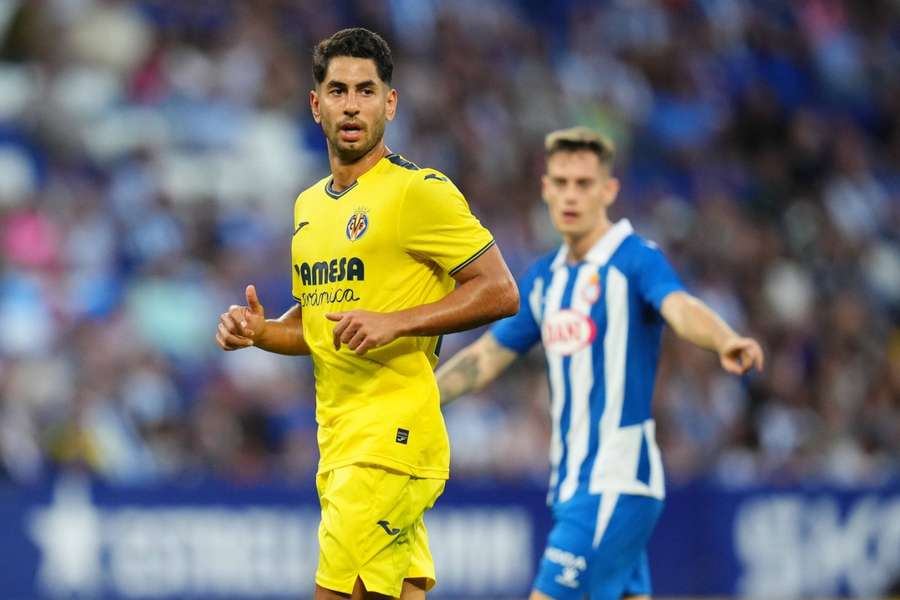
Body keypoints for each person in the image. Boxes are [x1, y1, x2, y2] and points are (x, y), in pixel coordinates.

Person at [214, 28, 518, 600]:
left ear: (390, 103)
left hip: (389, 441)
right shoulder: (308, 207)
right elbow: (315, 326)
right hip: (340, 441)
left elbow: (501, 291)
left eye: (365, 90)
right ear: (315, 105)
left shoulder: (417, 192)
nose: (351, 105)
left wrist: (397, 320)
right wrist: (258, 332)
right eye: (337, 90)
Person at [435, 126, 764, 600]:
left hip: (615, 479)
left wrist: (724, 338)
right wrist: (420, 397)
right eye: (561, 182)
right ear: (545, 188)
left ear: (608, 190)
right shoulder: (544, 278)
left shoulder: (635, 259)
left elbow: (679, 307)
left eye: (584, 183)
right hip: (573, 483)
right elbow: (487, 356)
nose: (571, 195)